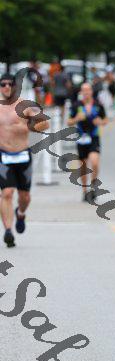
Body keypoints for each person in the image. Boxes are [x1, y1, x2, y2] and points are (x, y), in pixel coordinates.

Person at [0, 73, 50, 247]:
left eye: (10, 84)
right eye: (3, 84)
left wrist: (31, 126)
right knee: (7, 193)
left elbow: (45, 123)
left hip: (22, 155)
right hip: (3, 156)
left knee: (25, 197)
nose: (7, 87)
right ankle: (8, 231)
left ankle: (20, 213)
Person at [67, 83, 108, 202]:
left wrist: (100, 122)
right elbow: (69, 121)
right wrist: (76, 118)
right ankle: (85, 191)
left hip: (94, 137)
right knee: (83, 166)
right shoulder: (76, 105)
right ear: (81, 92)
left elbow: (105, 119)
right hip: (81, 137)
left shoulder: (98, 105)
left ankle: (93, 186)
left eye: (88, 90)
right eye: (84, 90)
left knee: (94, 161)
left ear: (91, 91)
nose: (86, 92)